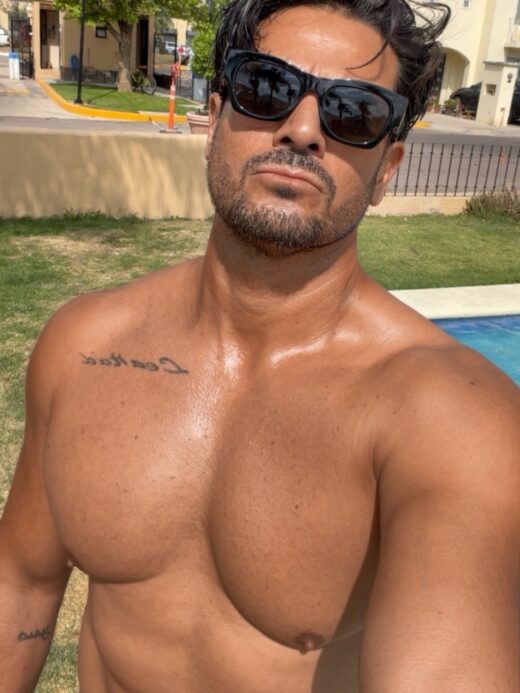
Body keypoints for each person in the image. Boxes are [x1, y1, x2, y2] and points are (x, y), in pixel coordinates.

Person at [1, 0, 519, 690]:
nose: (302, 130)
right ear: (214, 118)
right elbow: (23, 583)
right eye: (266, 87)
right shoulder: (85, 346)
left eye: (353, 113)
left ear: (387, 170)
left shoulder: (452, 420)